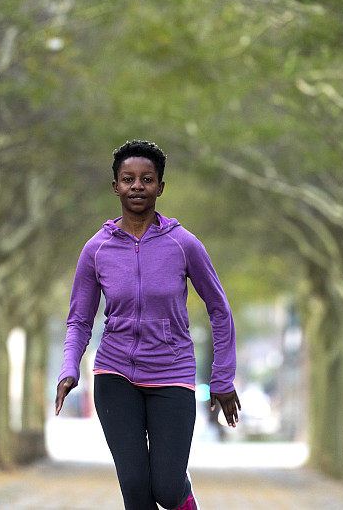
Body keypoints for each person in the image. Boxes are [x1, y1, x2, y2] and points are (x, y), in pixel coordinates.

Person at [54, 140, 240, 510]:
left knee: (166, 489)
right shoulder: (97, 249)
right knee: (136, 491)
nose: (137, 186)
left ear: (160, 186)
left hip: (172, 373)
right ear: (116, 186)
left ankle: (182, 493)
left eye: (147, 179)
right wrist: (69, 368)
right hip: (114, 373)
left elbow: (219, 308)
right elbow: (79, 318)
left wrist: (223, 378)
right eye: (128, 179)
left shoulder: (183, 244)